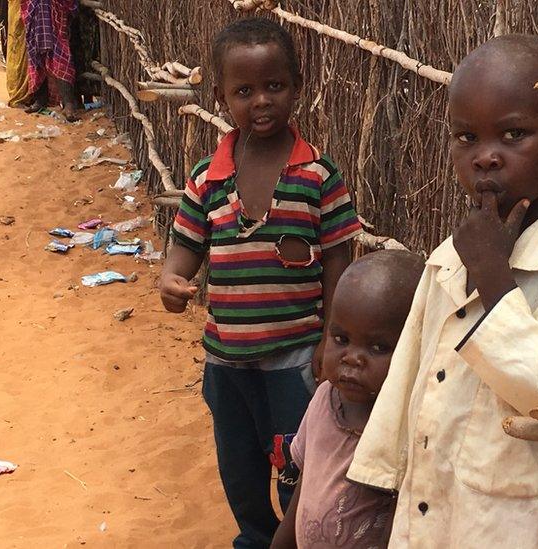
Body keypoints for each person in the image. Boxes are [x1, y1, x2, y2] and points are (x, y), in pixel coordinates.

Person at [347, 35, 538, 548]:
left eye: (513, 134)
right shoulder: (449, 255)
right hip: (434, 505)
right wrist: (384, 473)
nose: (485, 158)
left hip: (526, 522)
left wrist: (495, 277)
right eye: (466, 137)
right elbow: (410, 373)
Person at [159, 17, 363, 548]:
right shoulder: (207, 177)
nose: (262, 101)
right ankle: (254, 536)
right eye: (244, 91)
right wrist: (172, 280)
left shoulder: (320, 177)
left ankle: (296, 539)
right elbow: (186, 246)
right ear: (223, 98)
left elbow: (340, 262)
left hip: (294, 358)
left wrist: (330, 339)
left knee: (299, 460)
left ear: (297, 86)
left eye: (274, 86)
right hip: (225, 359)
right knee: (239, 461)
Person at [271, 250, 424, 549]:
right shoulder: (323, 401)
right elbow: (306, 484)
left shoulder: (408, 428)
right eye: (340, 339)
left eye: (379, 347)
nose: (352, 358)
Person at [20, 0, 81, 120]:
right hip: (36, 12)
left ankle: (68, 104)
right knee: (37, 57)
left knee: (61, 60)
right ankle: (40, 100)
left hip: (56, 15)